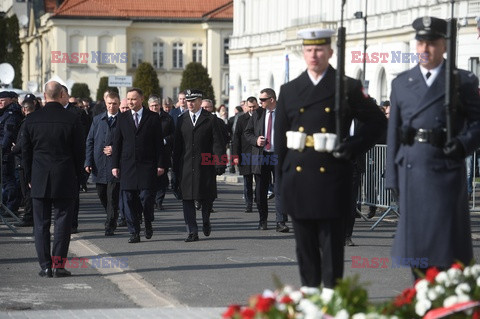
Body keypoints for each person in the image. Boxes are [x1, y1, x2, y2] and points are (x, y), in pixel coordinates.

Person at [274, 28, 387, 288]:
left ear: (330, 52)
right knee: (305, 250)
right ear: (304, 53)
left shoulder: (346, 87)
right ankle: (311, 300)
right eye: (310, 50)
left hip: (332, 178)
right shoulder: (290, 90)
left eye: (320, 50)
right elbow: (280, 142)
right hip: (299, 179)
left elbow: (377, 122)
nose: (315, 55)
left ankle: (331, 304)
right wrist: (283, 183)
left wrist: (353, 146)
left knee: (331, 250)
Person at [385, 17, 480, 277]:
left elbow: (477, 124)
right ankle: (421, 302)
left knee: (447, 252)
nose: (425, 49)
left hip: (445, 169)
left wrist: (462, 144)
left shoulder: (463, 81)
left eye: (432, 43)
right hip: (412, 170)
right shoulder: (402, 82)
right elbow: (393, 132)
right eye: (421, 43)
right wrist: (392, 177)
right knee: (418, 251)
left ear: (445, 46)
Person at [22, 80, 85, 277]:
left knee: (40, 224)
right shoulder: (73, 119)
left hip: (39, 176)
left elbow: (25, 152)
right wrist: (78, 176)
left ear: (44, 95)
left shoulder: (31, 120)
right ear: (61, 95)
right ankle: (58, 265)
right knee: (62, 223)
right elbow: (79, 152)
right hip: (65, 176)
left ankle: (45, 266)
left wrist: (29, 176)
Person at [112, 88, 166, 244]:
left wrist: (161, 164)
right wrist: (115, 165)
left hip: (147, 165)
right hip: (127, 165)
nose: (130, 102)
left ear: (141, 99)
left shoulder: (153, 117)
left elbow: (158, 144)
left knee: (146, 198)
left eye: (133, 99)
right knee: (128, 199)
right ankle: (134, 231)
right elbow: (117, 142)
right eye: (128, 99)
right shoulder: (122, 118)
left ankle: (148, 221)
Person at [172, 89, 226, 242]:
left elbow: (218, 143)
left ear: (200, 101)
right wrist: (175, 167)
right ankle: (192, 231)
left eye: (193, 100)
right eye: (188, 100)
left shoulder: (210, 119)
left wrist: (219, 162)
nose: (189, 103)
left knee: (206, 197)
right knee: (187, 199)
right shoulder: (181, 120)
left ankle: (206, 220)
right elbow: (177, 146)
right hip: (186, 165)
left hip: (205, 165)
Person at [244, 88, 289, 232]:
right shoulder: (257, 113)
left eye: (263, 100)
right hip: (261, 156)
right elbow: (247, 132)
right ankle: (262, 220)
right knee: (260, 191)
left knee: (280, 189)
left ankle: (280, 221)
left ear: (272, 99)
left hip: (279, 156)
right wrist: (256, 140)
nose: (260, 102)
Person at [85, 91, 121, 236]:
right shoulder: (97, 119)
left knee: (112, 196)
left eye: (114, 104)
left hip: (115, 165)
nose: (112, 106)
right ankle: (112, 215)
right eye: (109, 104)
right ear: (105, 104)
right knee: (101, 194)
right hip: (99, 164)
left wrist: (115, 149)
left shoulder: (124, 120)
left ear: (118, 104)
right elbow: (90, 141)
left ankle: (110, 224)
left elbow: (129, 142)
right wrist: (88, 161)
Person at [12, 100, 37, 227]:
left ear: (24, 109)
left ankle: (29, 217)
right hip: (32, 160)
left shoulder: (26, 122)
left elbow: (23, 144)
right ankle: (31, 215)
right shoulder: (36, 120)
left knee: (27, 191)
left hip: (24, 161)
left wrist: (14, 148)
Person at [148, 95, 174, 211]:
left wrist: (165, 140)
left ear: (160, 106)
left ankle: (159, 201)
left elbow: (174, 134)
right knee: (150, 178)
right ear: (149, 107)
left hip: (163, 152)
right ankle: (151, 200)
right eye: (152, 106)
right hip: (149, 153)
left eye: (156, 105)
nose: (154, 107)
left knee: (162, 178)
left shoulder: (167, 118)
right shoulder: (145, 118)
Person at [232, 96, 258, 213]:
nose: (252, 109)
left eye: (254, 107)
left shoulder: (261, 117)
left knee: (260, 180)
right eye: (250, 107)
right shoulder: (242, 119)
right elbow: (236, 138)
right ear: (246, 107)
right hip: (245, 153)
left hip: (259, 154)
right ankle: (249, 204)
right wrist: (235, 156)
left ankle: (259, 201)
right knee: (247, 181)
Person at [0, 91, 23, 215]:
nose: (0, 102)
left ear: (10, 100)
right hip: (3, 151)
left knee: (8, 180)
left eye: (3, 100)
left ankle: (11, 207)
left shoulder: (11, 114)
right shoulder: (5, 113)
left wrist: (2, 150)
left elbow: (7, 136)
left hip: (6, 153)